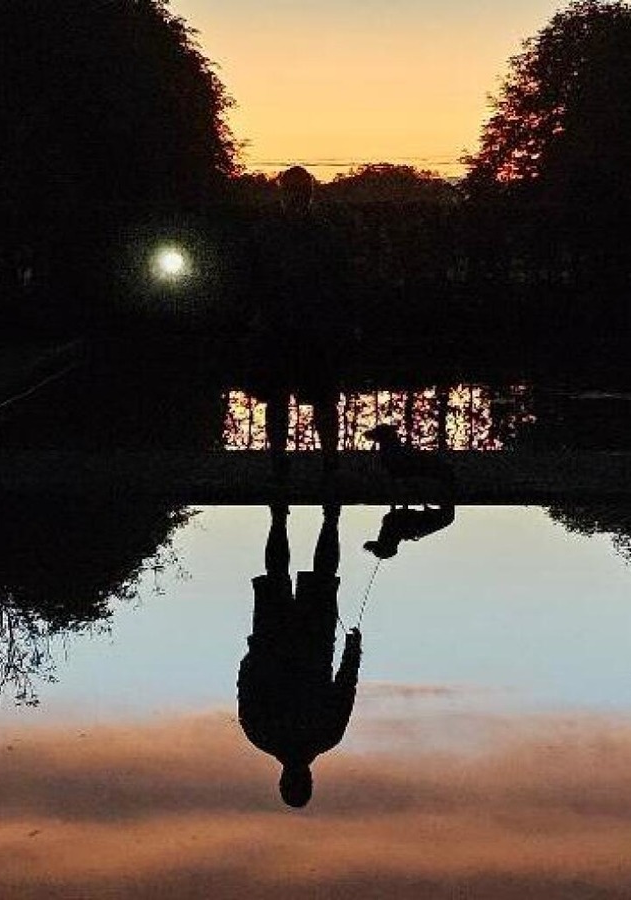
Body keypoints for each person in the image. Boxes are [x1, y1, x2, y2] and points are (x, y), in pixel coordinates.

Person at [238, 503, 362, 807]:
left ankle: (329, 516)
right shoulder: (259, 734)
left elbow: (345, 686)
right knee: (283, 575)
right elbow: (246, 681)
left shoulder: (325, 736)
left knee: (313, 575)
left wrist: (353, 650)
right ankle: (283, 515)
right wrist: (256, 650)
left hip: (305, 643)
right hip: (282, 641)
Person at [249, 166, 351, 477]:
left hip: (302, 324)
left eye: (300, 192)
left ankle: (305, 460)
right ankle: (314, 461)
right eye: (295, 192)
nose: (297, 198)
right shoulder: (320, 232)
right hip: (294, 323)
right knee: (297, 398)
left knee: (307, 398)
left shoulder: (274, 233)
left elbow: (337, 280)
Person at [364, 504, 456, 560]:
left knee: (445, 518)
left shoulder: (385, 539)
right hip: (406, 524)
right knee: (445, 518)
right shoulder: (385, 542)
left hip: (404, 523)